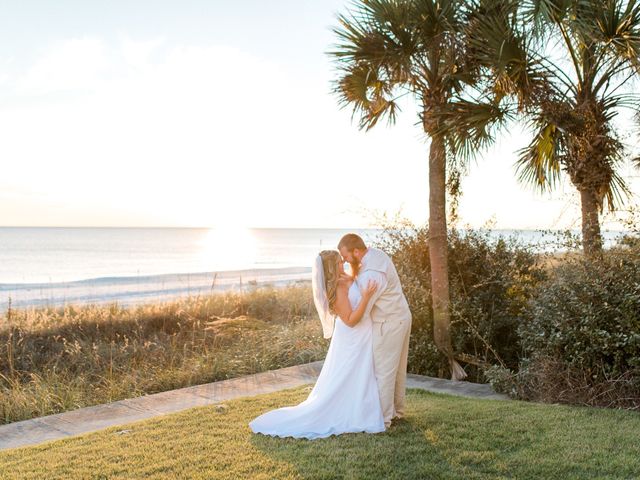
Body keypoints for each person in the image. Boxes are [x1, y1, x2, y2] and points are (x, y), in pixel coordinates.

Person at [248, 249, 386, 439]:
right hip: (352, 336)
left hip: (362, 334)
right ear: (330, 268)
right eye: (338, 263)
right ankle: (357, 413)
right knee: (349, 374)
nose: (342, 264)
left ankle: (362, 408)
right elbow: (351, 320)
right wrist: (366, 297)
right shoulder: (337, 288)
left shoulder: (346, 277)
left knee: (360, 373)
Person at [338, 233, 412, 428]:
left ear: (356, 251)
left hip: (388, 323)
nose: (345, 261)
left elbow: (362, 314)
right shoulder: (377, 255)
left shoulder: (372, 274)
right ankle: (397, 411)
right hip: (401, 317)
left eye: (346, 257)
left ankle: (384, 419)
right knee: (397, 370)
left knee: (384, 371)